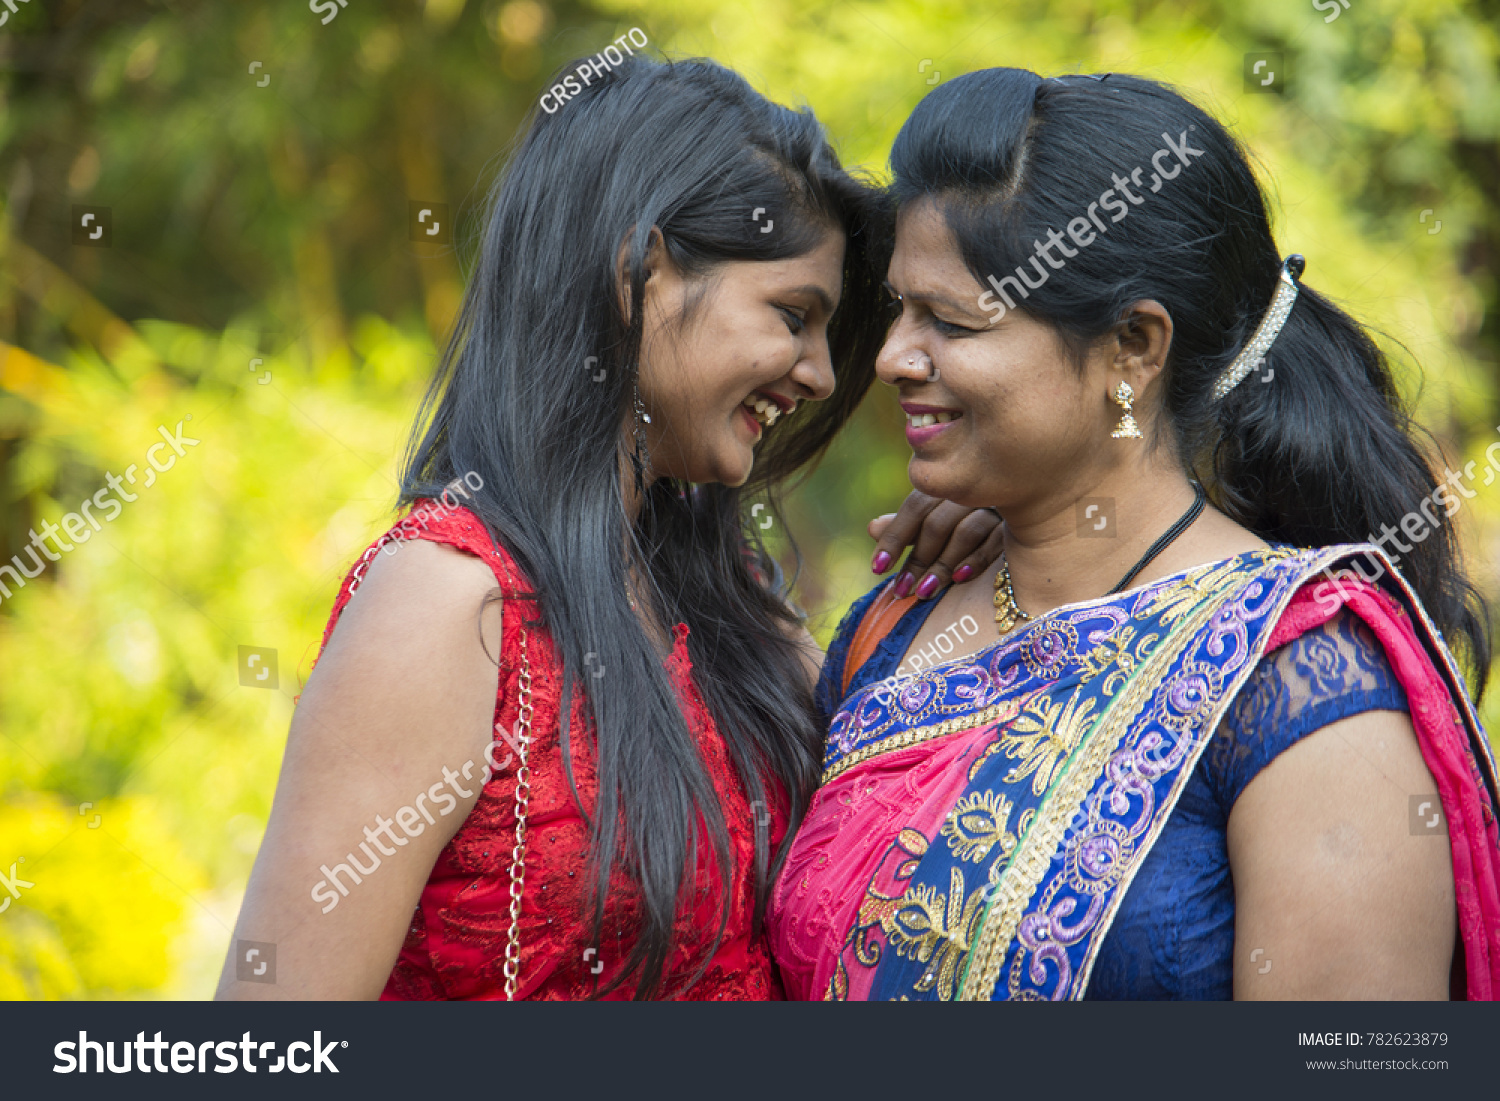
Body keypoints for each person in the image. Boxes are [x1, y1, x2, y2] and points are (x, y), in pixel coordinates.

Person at [215, 55, 999, 1001]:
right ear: (643, 273)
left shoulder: (730, 606)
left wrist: (999, 547)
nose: (821, 376)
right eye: (794, 316)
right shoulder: (447, 603)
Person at [768, 68, 1500, 1001]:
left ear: (1132, 349)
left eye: (951, 321)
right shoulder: (896, 627)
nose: (891, 358)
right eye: (902, 308)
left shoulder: (1303, 679)